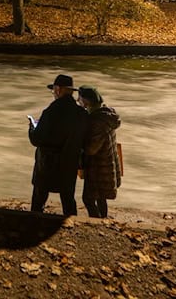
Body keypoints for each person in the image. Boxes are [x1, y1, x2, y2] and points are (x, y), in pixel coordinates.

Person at [29, 74, 88, 216]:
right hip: (69, 162)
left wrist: (32, 127)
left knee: (39, 196)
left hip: (47, 163)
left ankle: (34, 220)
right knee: (68, 198)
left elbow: (36, 140)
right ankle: (71, 221)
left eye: (54, 90)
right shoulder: (81, 113)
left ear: (58, 89)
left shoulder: (50, 112)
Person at [77, 86, 122, 218]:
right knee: (101, 197)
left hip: (98, 167)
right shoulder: (106, 116)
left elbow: (91, 149)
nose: (78, 101)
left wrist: (80, 145)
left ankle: (97, 223)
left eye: (79, 99)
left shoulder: (96, 121)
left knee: (88, 199)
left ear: (85, 101)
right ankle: (103, 218)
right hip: (108, 164)